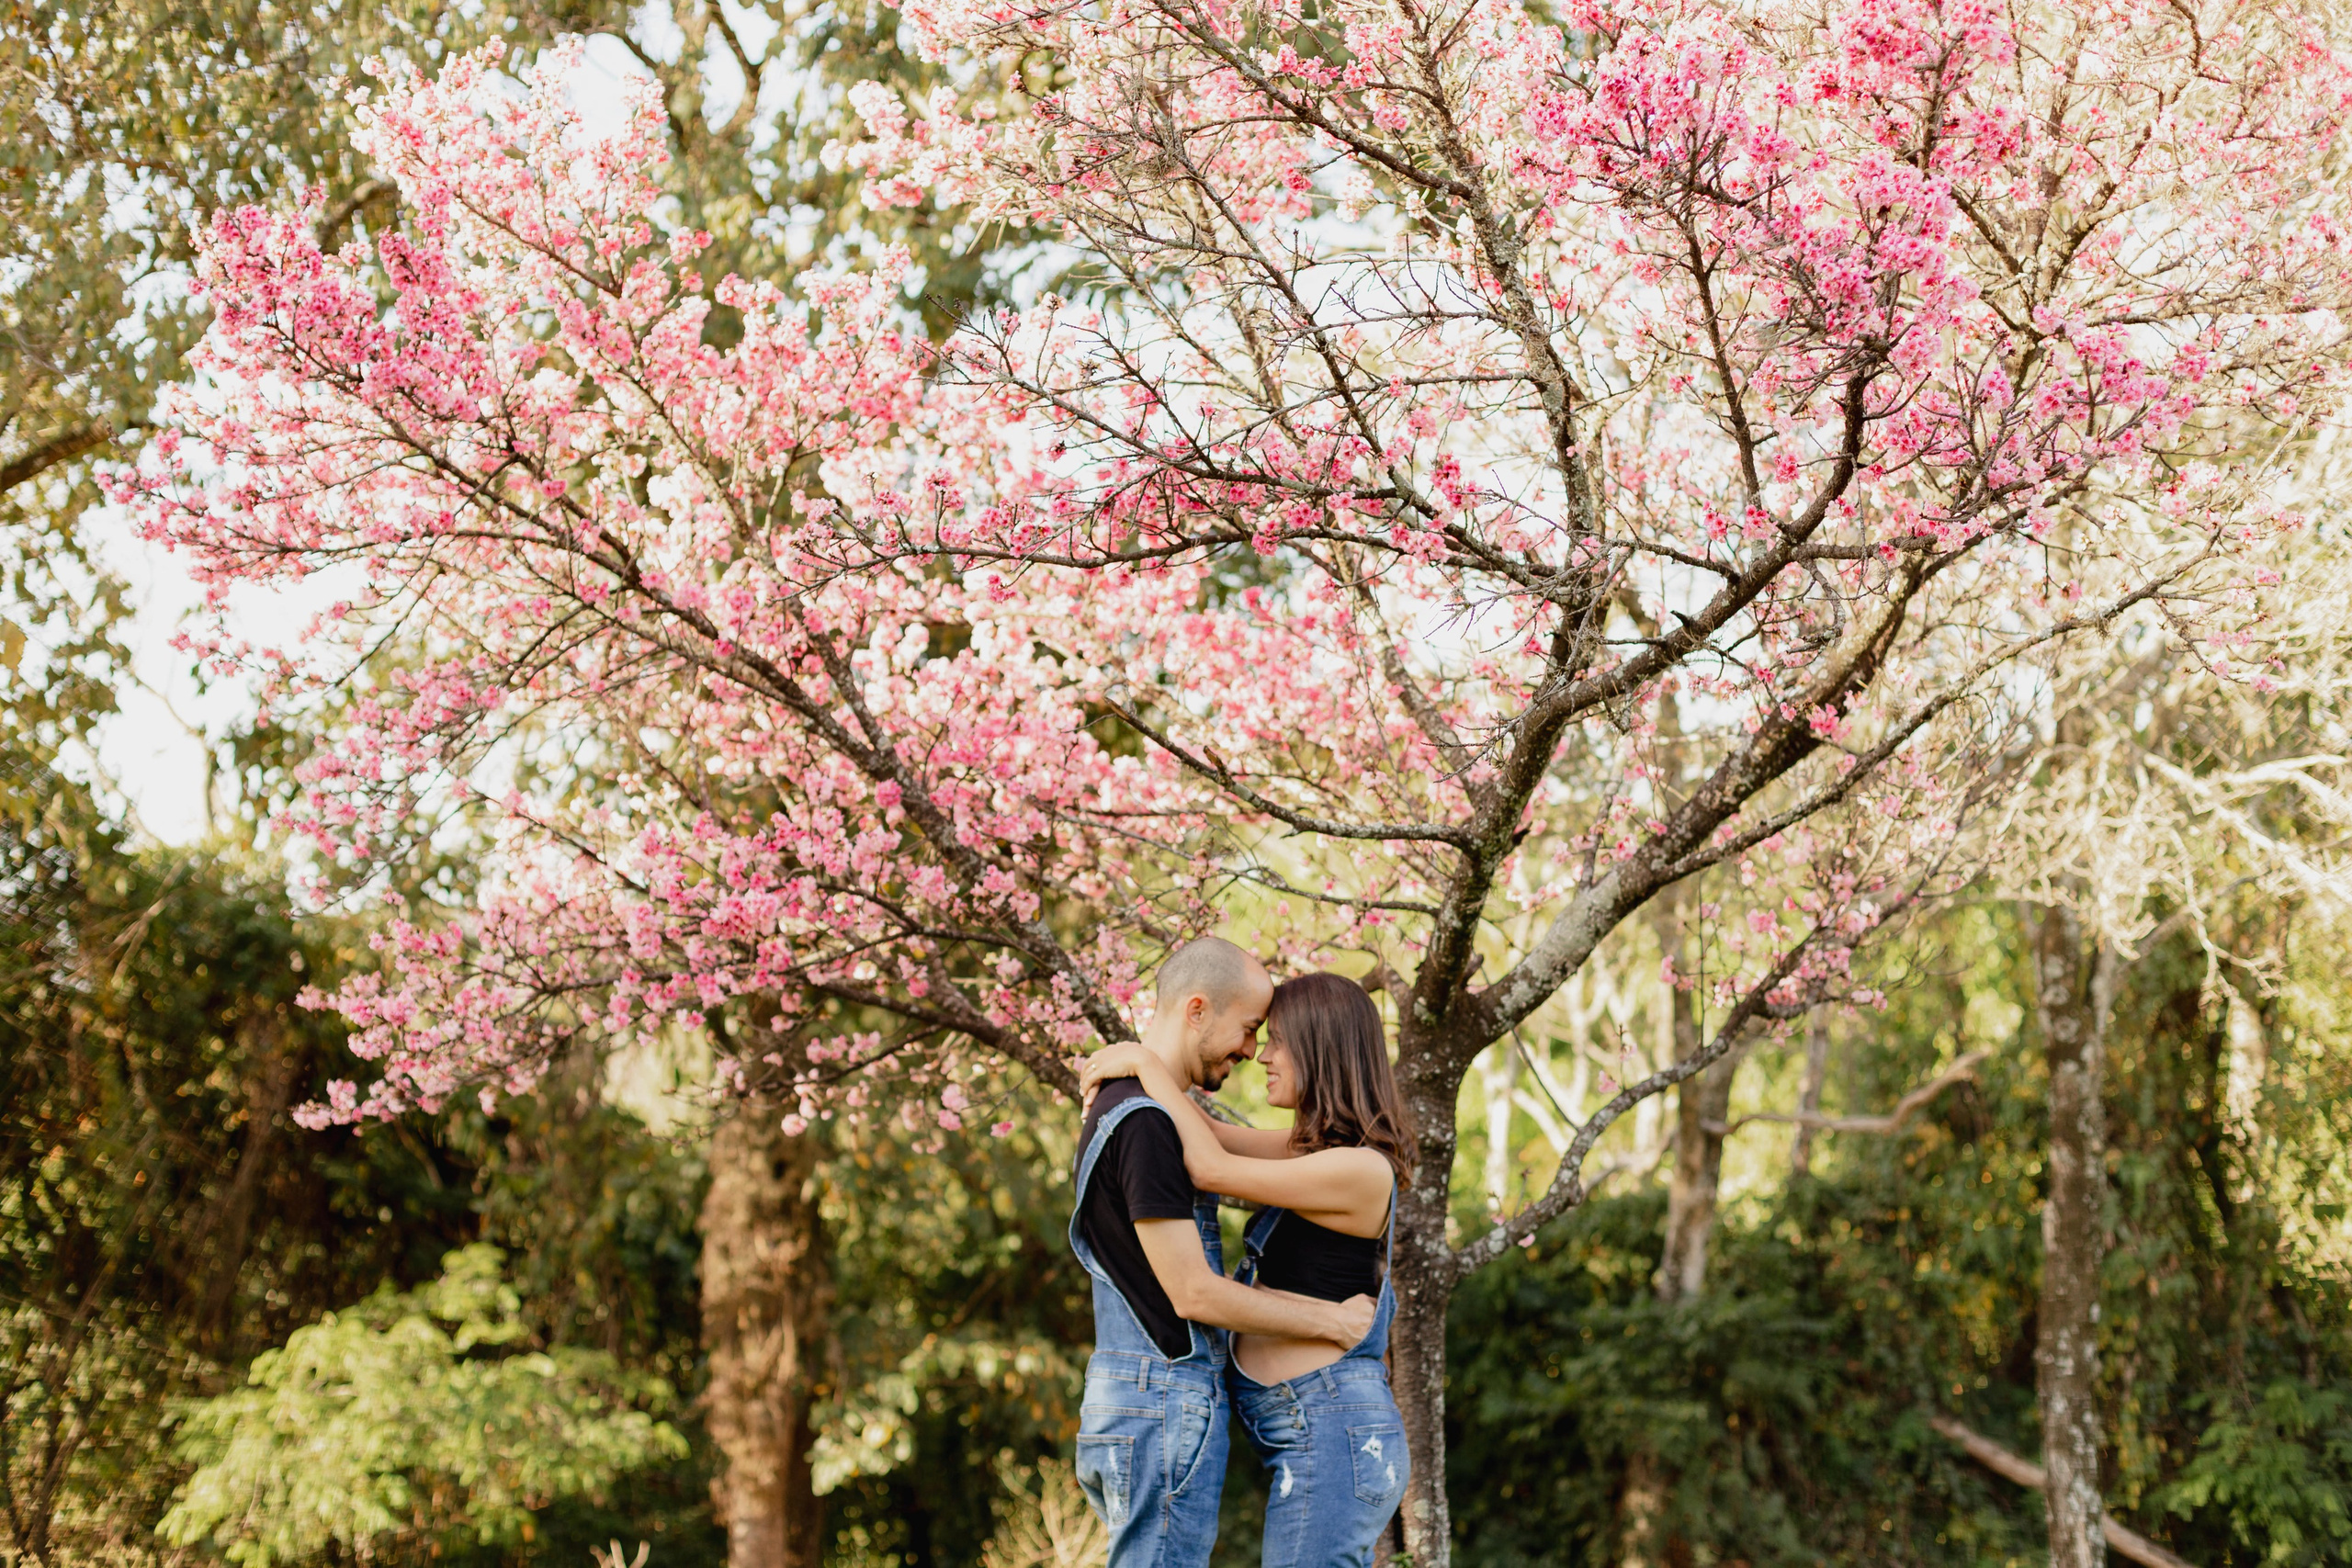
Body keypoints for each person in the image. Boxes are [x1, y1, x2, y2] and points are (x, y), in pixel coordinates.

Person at [1080, 970, 1415, 1568]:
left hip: (1333, 1427)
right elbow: (1206, 1133)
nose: (1263, 1054)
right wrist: (1145, 1063)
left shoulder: (1364, 1169)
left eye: (1279, 1039)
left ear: (1323, 1046)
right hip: (1309, 1430)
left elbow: (1210, 1169)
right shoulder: (1311, 1150)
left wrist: (1143, 1061)